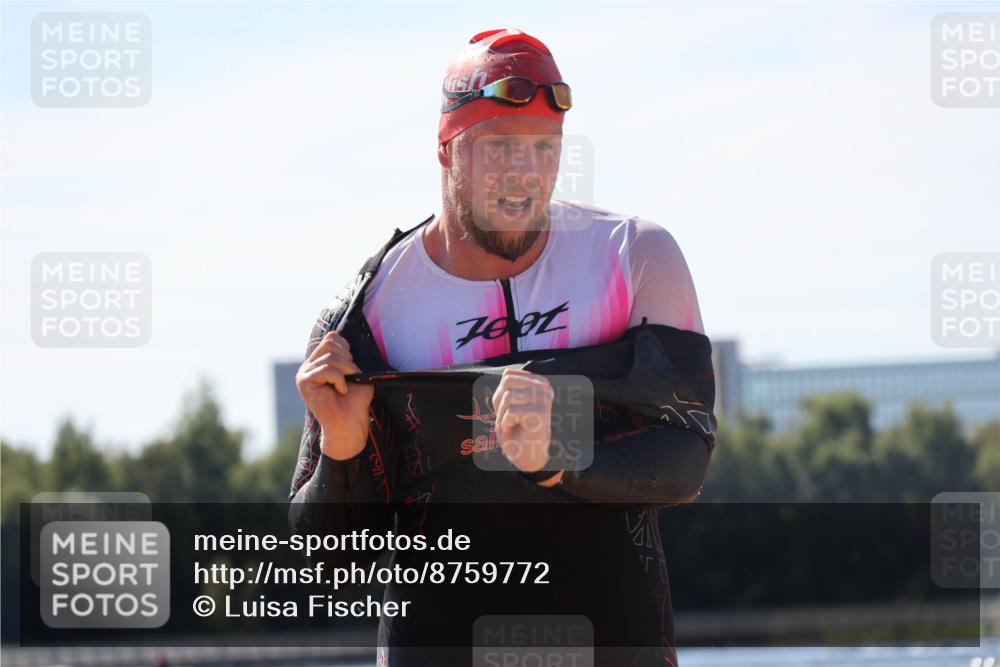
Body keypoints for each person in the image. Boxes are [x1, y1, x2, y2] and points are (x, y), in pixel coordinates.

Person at [288, 28, 716, 666]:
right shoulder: (368, 312)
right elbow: (322, 566)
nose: (525, 174)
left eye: (545, 148)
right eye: (500, 148)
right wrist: (343, 448)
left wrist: (559, 457)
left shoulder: (634, 258)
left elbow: (686, 457)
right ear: (445, 151)